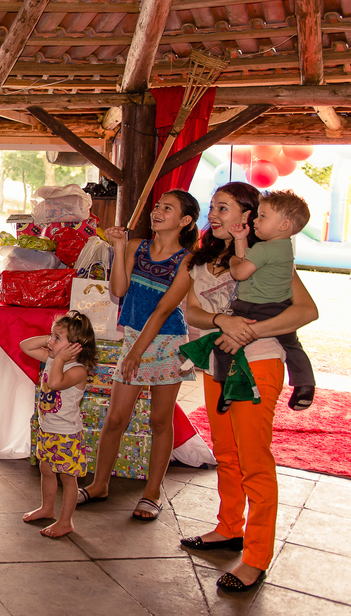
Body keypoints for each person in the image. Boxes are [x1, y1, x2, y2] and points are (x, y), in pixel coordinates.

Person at [180, 182, 318, 592]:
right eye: (212, 207)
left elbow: (306, 311)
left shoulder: (267, 257)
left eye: (224, 208)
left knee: (254, 459)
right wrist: (224, 323)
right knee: (226, 451)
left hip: (259, 363)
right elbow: (193, 310)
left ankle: (256, 557)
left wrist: (247, 331)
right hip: (215, 363)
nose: (214, 215)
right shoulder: (203, 260)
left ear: (248, 217)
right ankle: (228, 527)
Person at [77, 190, 200, 522]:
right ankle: (99, 484)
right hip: (134, 336)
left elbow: (163, 310)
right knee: (116, 417)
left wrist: (134, 352)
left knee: (160, 420)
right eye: (158, 206)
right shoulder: (136, 247)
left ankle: (152, 493)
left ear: (185, 221)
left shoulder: (188, 260)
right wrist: (118, 247)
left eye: (167, 208)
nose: (157, 211)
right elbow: (118, 291)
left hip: (168, 343)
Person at [225, 190, 314, 411]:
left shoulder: (264, 249)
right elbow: (251, 259)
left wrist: (234, 261)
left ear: (283, 225)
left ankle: (229, 388)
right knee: (292, 345)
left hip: (254, 308)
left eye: (262, 216)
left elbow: (240, 272)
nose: (255, 220)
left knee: (228, 346)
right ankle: (305, 384)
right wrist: (240, 240)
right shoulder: (284, 249)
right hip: (279, 307)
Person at [19, 311, 99, 538]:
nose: (51, 342)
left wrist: (61, 357)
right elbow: (25, 346)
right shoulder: (54, 359)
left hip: (66, 434)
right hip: (47, 429)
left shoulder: (77, 370)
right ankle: (47, 508)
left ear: (75, 347)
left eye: (57, 338)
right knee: (46, 469)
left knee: (67, 477)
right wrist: (51, 340)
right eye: (52, 337)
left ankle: (65, 522)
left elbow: (54, 383)